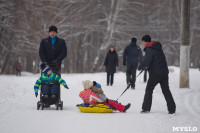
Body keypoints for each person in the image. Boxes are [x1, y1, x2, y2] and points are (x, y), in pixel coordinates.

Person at [138, 35, 176, 114]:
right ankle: (172, 109)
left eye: (142, 41)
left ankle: (146, 108)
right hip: (164, 73)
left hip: (155, 73)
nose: (142, 43)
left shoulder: (149, 49)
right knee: (166, 90)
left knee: (149, 89)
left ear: (146, 41)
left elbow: (147, 61)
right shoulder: (158, 48)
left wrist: (140, 67)